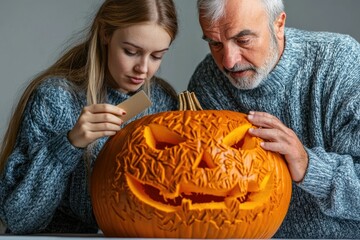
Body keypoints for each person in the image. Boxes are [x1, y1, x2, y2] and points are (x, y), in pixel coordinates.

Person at [0, 0, 178, 234]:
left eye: (157, 56)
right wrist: (68, 144)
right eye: (131, 52)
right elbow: (17, 221)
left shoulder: (162, 101)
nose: (143, 69)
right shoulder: (55, 98)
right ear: (105, 34)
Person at [188, 0, 360, 238]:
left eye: (243, 40)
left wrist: (309, 166)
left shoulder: (339, 62)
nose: (228, 61)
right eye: (215, 43)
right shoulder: (208, 83)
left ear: (278, 25)